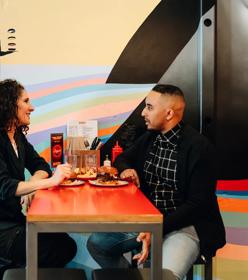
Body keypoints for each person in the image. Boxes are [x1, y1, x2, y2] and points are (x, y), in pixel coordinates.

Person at [87, 84, 226, 280]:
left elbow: (197, 206)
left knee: (162, 277)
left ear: (169, 113)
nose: (143, 112)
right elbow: (122, 158)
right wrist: (127, 169)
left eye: (149, 107)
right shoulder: (151, 138)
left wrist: (156, 229)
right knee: (98, 244)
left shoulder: (199, 148)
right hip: (150, 219)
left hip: (186, 225)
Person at [0, 79, 77, 277]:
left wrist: (32, 185)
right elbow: (4, 187)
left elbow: (40, 165)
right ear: (10, 105)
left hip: (10, 219)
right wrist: (51, 181)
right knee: (57, 249)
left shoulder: (16, 135)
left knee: (66, 244)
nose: (32, 107)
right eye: (26, 101)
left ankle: (2, 267)